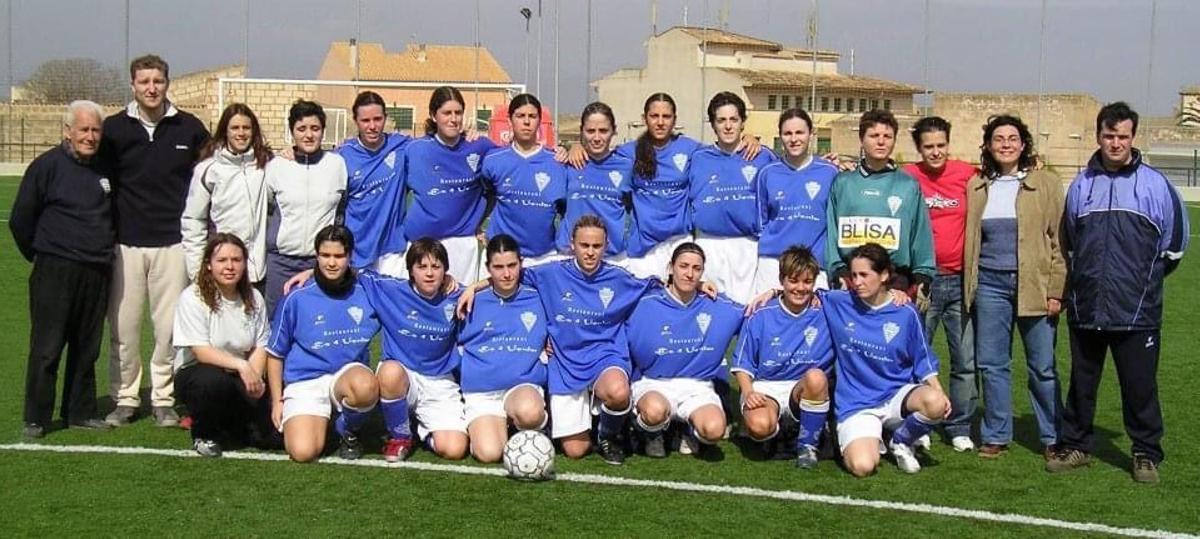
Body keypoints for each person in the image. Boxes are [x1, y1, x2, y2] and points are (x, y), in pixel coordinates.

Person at [1048, 102, 1189, 483]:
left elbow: (1174, 247)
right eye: (1108, 136)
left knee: (1140, 387)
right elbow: (1071, 241)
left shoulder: (1155, 185)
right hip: (1087, 305)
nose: (1115, 143)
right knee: (1083, 384)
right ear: (1098, 136)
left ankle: (1145, 453)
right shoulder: (1081, 184)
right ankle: (1076, 445)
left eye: (1122, 136)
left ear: (1132, 137)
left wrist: (1140, 283)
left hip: (1137, 310)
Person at [458, 215, 660, 464]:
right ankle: (579, 421)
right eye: (584, 245)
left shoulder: (620, 279)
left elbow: (660, 287)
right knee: (576, 451)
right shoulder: (550, 274)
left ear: (606, 247)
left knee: (618, 391)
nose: (590, 253)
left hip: (604, 357)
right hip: (564, 363)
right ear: (571, 244)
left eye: (596, 246)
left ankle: (610, 434)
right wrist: (474, 286)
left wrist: (700, 284)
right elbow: (507, 274)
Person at [102, 54, 210, 428]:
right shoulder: (113, 129)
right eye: (144, 81)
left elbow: (210, 175)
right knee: (124, 328)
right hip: (126, 244)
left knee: (167, 329)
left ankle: (163, 398)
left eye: (158, 81)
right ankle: (125, 398)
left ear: (167, 83)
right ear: (133, 85)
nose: (151, 88)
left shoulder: (190, 128)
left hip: (172, 243)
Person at [963, 114, 1065, 460]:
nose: (1005, 144)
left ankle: (1053, 437)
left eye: (1012, 138)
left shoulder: (1046, 184)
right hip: (990, 285)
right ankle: (996, 434)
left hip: (1034, 285)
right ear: (989, 146)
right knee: (992, 364)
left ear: (1023, 144)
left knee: (1043, 366)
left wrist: (1056, 290)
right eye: (998, 138)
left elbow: (1059, 241)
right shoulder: (977, 185)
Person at [11, 100, 115, 437]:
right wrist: (45, 256)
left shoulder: (104, 169)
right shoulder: (46, 166)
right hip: (55, 269)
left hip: (96, 269)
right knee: (48, 346)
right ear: (67, 131)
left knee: (87, 347)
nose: (90, 136)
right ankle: (37, 417)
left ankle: (80, 412)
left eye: (95, 130)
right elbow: (20, 220)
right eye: (83, 129)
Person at [824, 243, 950, 477]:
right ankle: (857, 432)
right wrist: (772, 293)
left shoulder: (905, 311)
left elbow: (922, 358)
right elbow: (800, 293)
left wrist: (939, 392)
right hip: (857, 403)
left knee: (936, 403)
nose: (857, 282)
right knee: (862, 467)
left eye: (864, 275)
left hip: (895, 396)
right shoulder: (838, 301)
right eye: (853, 275)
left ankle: (900, 440)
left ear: (883, 275)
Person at [266, 225, 381, 463]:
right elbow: (275, 354)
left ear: (350, 257)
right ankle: (320, 423)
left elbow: (411, 287)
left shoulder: (368, 291)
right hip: (305, 380)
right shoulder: (296, 296)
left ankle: (347, 430)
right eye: (325, 255)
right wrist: (276, 400)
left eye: (339, 256)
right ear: (316, 256)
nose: (331, 263)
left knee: (365, 386)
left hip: (346, 377)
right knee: (303, 452)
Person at [902, 116, 978, 452]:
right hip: (924, 285)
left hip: (960, 282)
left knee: (964, 359)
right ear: (919, 148)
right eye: (928, 147)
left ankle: (959, 424)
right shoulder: (908, 177)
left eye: (941, 145)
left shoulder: (967, 174)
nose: (936, 152)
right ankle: (920, 422)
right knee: (917, 358)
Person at [625, 242, 743, 458]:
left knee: (715, 430)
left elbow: (756, 316)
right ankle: (648, 432)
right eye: (683, 266)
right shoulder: (644, 302)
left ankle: (685, 430)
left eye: (696, 269)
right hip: (654, 383)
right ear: (671, 268)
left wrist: (774, 291)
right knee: (654, 412)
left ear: (703, 273)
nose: (689, 274)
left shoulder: (718, 304)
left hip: (698, 387)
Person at [361, 239, 468, 462]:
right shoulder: (389, 290)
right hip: (403, 377)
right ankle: (400, 436)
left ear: (445, 271)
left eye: (436, 267)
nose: (429, 273)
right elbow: (347, 271)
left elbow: (499, 285)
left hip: (439, 381)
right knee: (389, 373)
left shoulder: (458, 295)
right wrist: (309, 274)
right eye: (422, 267)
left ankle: (422, 431)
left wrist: (476, 286)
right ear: (410, 270)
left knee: (454, 449)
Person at [172, 233, 276, 456]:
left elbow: (261, 344)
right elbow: (201, 352)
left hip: (239, 374)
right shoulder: (192, 297)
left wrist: (254, 380)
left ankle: (233, 427)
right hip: (198, 374)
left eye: (236, 260)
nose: (230, 267)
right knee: (212, 382)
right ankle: (203, 434)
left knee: (268, 436)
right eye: (222, 261)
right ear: (208, 265)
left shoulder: (254, 297)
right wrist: (242, 366)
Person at [732, 246, 834, 468]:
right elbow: (742, 363)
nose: (800, 288)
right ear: (782, 280)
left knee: (817, 377)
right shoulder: (760, 313)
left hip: (803, 387)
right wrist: (748, 392)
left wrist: (895, 292)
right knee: (759, 426)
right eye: (793, 281)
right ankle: (780, 433)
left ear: (815, 283)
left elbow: (860, 295)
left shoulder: (826, 308)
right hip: (766, 387)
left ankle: (807, 446)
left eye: (807, 282)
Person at [825, 109, 935, 310]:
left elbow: (920, 233)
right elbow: (832, 230)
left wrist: (922, 275)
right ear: (861, 138)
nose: (881, 142)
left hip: (896, 282)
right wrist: (838, 271)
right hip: (851, 280)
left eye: (887, 136)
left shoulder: (908, 185)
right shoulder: (843, 182)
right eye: (874, 136)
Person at [456, 235, 549, 462]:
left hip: (520, 386)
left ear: (521, 263)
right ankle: (499, 426)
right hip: (481, 393)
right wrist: (475, 287)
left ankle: (529, 425)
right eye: (498, 267)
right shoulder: (469, 301)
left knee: (530, 412)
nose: (506, 274)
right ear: (488, 268)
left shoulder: (540, 297)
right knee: (489, 454)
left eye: (512, 266)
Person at [401, 86, 499, 283]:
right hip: (421, 244)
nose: (453, 119)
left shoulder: (480, 147)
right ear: (433, 115)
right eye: (447, 113)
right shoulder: (414, 149)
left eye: (458, 113)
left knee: (459, 306)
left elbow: (513, 165)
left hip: (462, 245)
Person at [688, 92, 777, 304]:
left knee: (747, 310)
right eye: (721, 120)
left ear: (743, 123)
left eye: (733, 120)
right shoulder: (698, 158)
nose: (728, 126)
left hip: (747, 246)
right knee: (711, 311)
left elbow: (791, 174)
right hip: (709, 244)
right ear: (713, 125)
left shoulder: (763, 156)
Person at [263, 99, 348, 317]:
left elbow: (341, 211)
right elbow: (267, 208)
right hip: (281, 262)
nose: (309, 135)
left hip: (321, 262)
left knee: (318, 324)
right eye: (301, 129)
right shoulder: (277, 166)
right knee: (278, 325)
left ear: (323, 131)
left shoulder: (337, 165)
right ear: (292, 131)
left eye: (315, 128)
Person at [181, 103, 272, 288]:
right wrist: (197, 270)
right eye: (235, 128)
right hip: (223, 268)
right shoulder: (208, 169)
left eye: (246, 128)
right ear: (225, 131)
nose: (241, 133)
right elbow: (193, 221)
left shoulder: (267, 165)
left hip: (257, 271)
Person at [752, 108, 839, 296]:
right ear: (780, 136)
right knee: (770, 318)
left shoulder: (830, 172)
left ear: (811, 134)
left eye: (799, 132)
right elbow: (761, 222)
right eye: (787, 133)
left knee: (813, 322)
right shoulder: (767, 173)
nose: (793, 139)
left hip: (814, 265)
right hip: (773, 263)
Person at [479, 93, 568, 272]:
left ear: (539, 121)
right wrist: (476, 226)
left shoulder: (558, 163)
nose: (526, 122)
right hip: (501, 256)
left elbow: (567, 211)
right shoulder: (493, 160)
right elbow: (482, 195)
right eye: (520, 116)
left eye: (532, 116)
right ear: (510, 121)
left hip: (543, 257)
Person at [336, 91, 412, 276]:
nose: (372, 126)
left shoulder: (402, 147)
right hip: (356, 249)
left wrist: (467, 135)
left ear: (386, 118)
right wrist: (293, 151)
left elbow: (437, 147)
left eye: (377, 119)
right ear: (355, 121)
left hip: (392, 249)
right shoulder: (342, 155)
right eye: (365, 121)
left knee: (392, 302)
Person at [556, 102, 634, 267]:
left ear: (614, 130)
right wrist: (571, 148)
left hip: (612, 258)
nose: (597, 138)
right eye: (591, 131)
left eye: (603, 131)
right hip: (569, 256)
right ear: (581, 131)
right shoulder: (567, 164)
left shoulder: (627, 167)